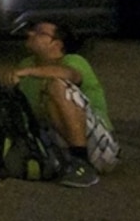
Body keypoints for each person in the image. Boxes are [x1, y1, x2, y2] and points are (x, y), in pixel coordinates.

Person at [6, 19, 116, 170]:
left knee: (57, 86)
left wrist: (29, 72)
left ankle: (81, 162)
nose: (30, 33)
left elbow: (68, 74)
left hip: (98, 146)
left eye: (40, 33)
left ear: (57, 44)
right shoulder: (26, 64)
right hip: (55, 141)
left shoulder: (73, 61)